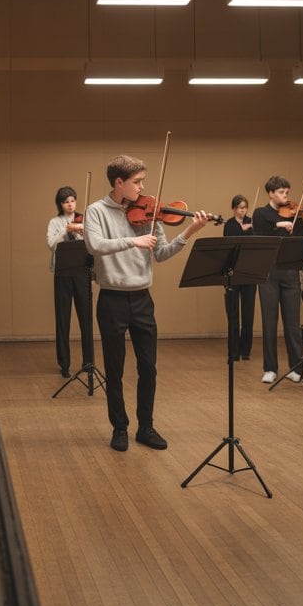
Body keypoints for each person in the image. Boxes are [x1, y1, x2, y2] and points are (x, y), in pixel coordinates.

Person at [83, 154, 209, 452]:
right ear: (119, 183)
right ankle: (119, 428)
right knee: (114, 369)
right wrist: (132, 241)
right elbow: (95, 246)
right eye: (137, 182)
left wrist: (189, 232)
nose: (143, 188)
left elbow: (162, 253)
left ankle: (146, 427)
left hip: (142, 299)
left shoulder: (150, 213)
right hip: (111, 299)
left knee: (148, 367)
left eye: (143, 181)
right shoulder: (96, 211)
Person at [252, 176, 303, 384]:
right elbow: (259, 236)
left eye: (287, 192)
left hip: (290, 273)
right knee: (269, 323)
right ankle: (270, 368)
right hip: (268, 273)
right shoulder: (261, 214)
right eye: (281, 192)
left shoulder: (296, 216)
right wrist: (279, 224)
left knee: (293, 324)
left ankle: (297, 367)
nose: (285, 196)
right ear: (270, 193)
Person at [47, 185, 93, 378]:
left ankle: (88, 362)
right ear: (60, 204)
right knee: (63, 320)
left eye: (73, 200)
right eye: (66, 201)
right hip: (63, 273)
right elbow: (52, 245)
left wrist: (83, 231)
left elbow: (93, 243)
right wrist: (66, 230)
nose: (70, 204)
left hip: (82, 272)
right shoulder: (54, 221)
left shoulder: (85, 220)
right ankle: (64, 364)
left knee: (86, 320)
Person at [222, 194, 256, 362]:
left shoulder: (252, 222)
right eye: (240, 207)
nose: (243, 210)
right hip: (232, 274)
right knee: (233, 316)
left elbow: (257, 242)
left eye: (245, 207)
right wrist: (241, 230)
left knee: (248, 316)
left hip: (249, 273)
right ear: (234, 209)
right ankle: (233, 352)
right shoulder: (229, 224)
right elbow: (229, 243)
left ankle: (245, 351)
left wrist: (250, 229)